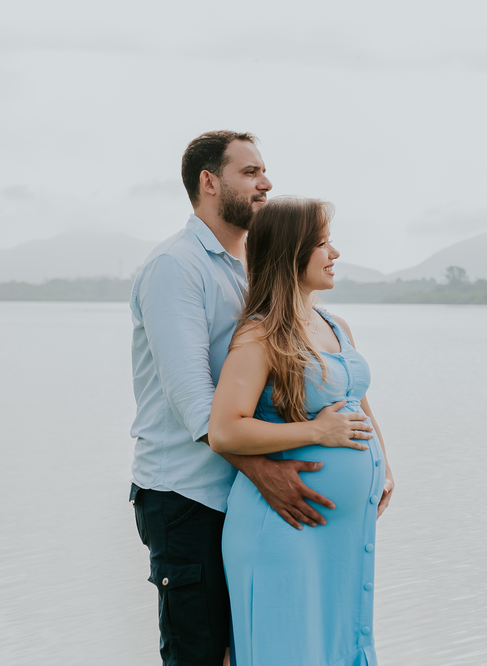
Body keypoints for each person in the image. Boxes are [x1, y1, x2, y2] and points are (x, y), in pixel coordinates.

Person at [130, 131, 366, 666]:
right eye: (250, 172)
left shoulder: (253, 267)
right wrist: (266, 472)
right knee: (201, 655)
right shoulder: (176, 266)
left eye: (265, 171)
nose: (266, 183)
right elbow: (196, 405)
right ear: (209, 182)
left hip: (248, 499)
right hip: (188, 496)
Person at [209, 197, 395, 666]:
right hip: (284, 527)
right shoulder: (260, 334)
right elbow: (225, 430)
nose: (334, 253)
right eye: (322, 244)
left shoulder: (336, 325)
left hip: (340, 533)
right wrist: (316, 432)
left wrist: (384, 468)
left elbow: (355, 401)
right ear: (291, 251)